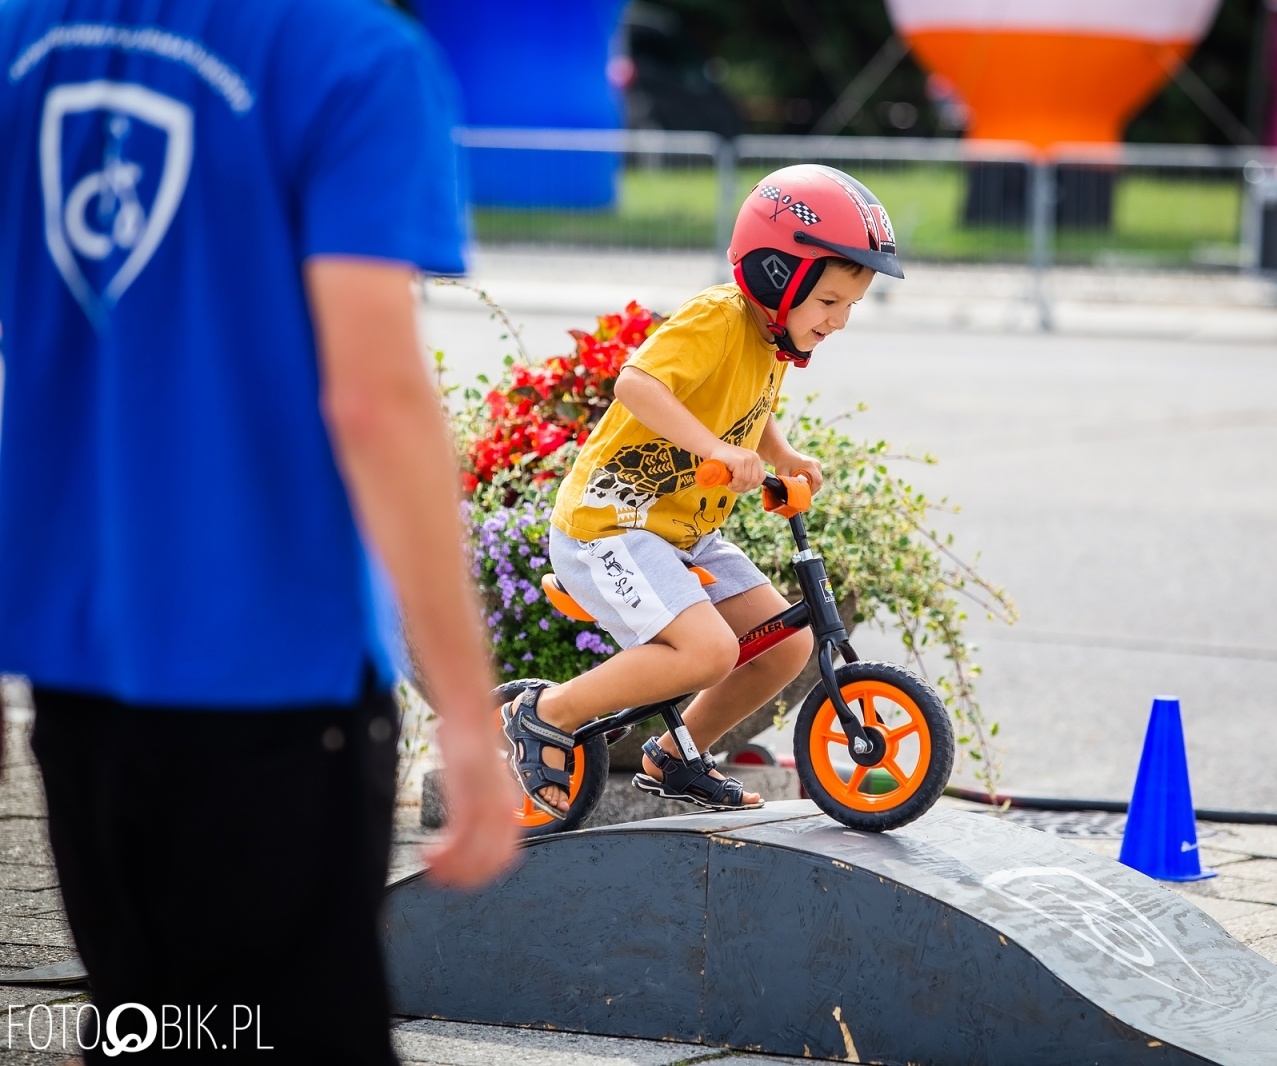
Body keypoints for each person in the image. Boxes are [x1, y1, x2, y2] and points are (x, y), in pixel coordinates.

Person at [0, 1, 518, 1061]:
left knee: (152, 1022)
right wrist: (470, 711)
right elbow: (374, 398)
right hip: (274, 678)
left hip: (77, 669)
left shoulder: (26, 38)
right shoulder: (351, 54)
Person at [502, 164, 902, 817]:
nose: (840, 321)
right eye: (830, 303)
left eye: (850, 307)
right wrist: (716, 450)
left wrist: (782, 454)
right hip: (612, 523)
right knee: (709, 651)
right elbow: (636, 384)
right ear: (779, 274)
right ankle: (542, 712)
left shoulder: (773, 338)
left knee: (787, 646)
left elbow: (748, 405)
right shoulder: (719, 317)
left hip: (683, 530)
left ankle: (675, 755)